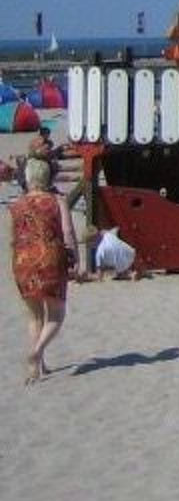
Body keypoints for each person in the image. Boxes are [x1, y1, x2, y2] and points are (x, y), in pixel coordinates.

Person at [12, 159, 78, 384]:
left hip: (22, 260)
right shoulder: (57, 201)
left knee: (35, 315)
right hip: (50, 257)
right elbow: (67, 232)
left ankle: (38, 366)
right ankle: (37, 351)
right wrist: (75, 256)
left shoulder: (17, 204)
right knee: (57, 314)